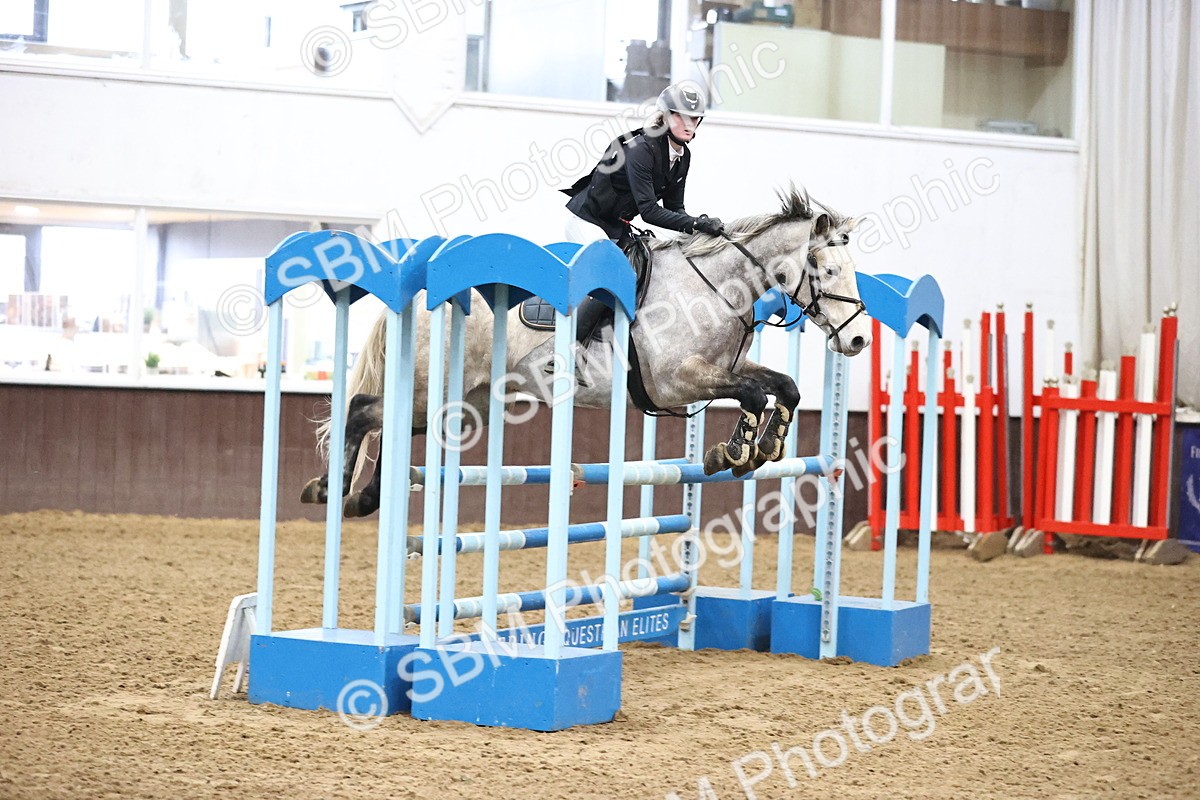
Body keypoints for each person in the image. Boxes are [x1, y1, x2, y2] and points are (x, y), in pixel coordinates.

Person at [561, 82, 725, 351]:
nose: (689, 125)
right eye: (682, 117)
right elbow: (649, 212)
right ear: (667, 117)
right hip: (587, 221)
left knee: (650, 266)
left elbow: (675, 209)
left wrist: (700, 231)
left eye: (695, 118)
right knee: (612, 271)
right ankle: (570, 350)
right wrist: (695, 223)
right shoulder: (642, 150)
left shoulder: (683, 157)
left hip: (616, 226)